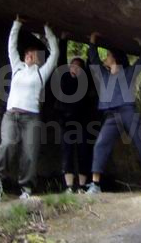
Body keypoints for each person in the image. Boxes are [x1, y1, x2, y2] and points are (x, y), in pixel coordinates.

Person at [0, 16, 59, 202]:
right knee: (7, 145)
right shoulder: (17, 68)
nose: (29, 55)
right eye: (27, 53)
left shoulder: (42, 72)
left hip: (32, 118)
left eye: (33, 54)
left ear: (37, 58)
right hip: (11, 114)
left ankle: (26, 189)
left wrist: (48, 31)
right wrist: (17, 24)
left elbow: (55, 54)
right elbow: (11, 46)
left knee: (29, 152)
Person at [85, 32, 141, 194]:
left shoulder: (128, 72)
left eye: (108, 55)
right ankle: (95, 184)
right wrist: (92, 41)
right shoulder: (104, 74)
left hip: (128, 110)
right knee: (100, 144)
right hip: (111, 115)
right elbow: (93, 59)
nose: (105, 58)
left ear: (115, 59)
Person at [54, 49, 94, 193]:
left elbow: (91, 65)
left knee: (84, 152)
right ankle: (69, 187)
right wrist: (62, 41)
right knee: (67, 152)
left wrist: (91, 45)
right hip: (66, 121)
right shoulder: (64, 79)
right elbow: (61, 62)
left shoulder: (86, 81)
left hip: (83, 123)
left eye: (78, 67)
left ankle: (82, 186)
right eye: (72, 66)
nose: (74, 69)